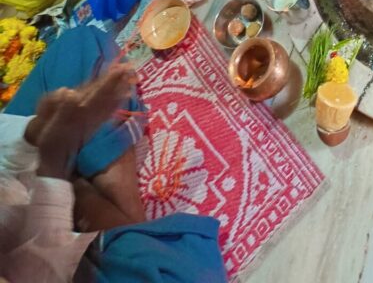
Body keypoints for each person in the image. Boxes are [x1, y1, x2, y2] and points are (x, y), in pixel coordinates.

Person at [0, 26, 226, 282]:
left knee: (81, 45)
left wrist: (36, 132)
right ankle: (129, 230)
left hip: (21, 203)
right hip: (52, 259)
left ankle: (120, 229)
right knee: (174, 272)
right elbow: (42, 263)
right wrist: (55, 167)